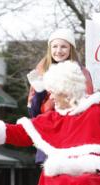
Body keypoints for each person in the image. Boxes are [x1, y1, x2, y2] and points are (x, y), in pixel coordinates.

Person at [27, 28, 93, 164]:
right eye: (55, 46)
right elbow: (33, 113)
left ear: (71, 49)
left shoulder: (81, 72)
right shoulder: (41, 71)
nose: (59, 50)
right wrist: (39, 91)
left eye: (63, 46)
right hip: (48, 133)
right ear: (49, 49)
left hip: (73, 133)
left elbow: (88, 106)